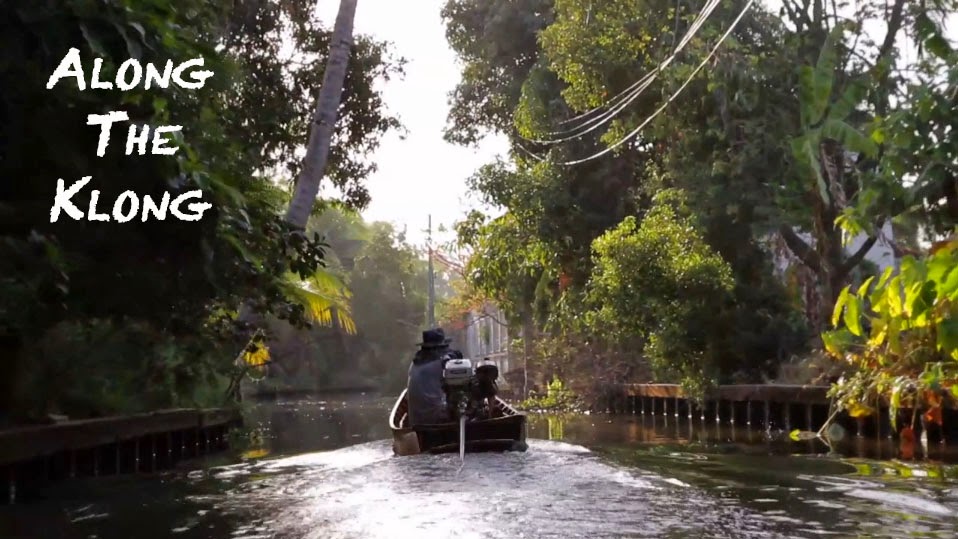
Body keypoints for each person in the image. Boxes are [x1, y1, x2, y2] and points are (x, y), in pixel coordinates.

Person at [406, 328, 454, 426]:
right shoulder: (441, 364)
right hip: (435, 419)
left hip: (416, 421)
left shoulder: (414, 364)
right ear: (437, 349)